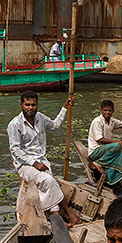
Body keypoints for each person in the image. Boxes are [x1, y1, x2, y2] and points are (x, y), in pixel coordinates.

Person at [7, 90, 78, 226]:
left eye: (33, 105)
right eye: (27, 105)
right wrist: (34, 163)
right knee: (49, 181)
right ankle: (68, 213)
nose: (30, 108)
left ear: (37, 105)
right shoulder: (15, 124)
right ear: (21, 105)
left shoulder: (40, 118)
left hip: (42, 162)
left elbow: (55, 126)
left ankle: (55, 219)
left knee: (48, 184)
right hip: (25, 165)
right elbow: (15, 150)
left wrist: (65, 108)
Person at [87, 100, 122, 196]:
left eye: (109, 110)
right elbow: (99, 139)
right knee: (117, 146)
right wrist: (116, 142)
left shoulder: (112, 121)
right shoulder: (97, 121)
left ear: (112, 111)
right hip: (96, 152)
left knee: (117, 165)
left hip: (106, 152)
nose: (107, 112)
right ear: (101, 110)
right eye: (105, 110)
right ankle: (98, 163)